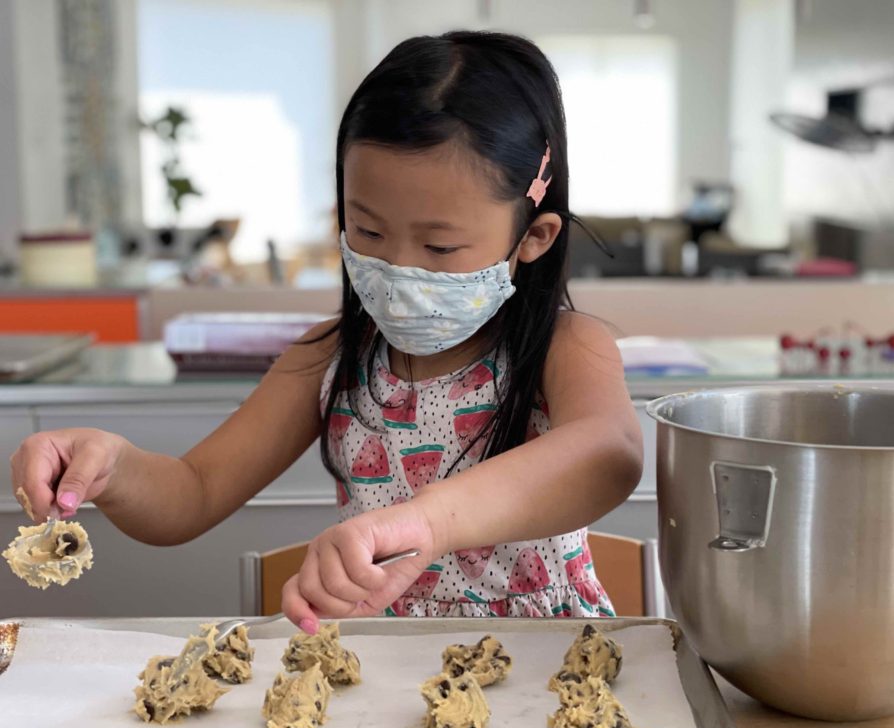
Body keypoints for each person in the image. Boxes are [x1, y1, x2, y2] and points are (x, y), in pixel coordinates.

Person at [9, 31, 643, 632]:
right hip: (385, 679)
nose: (397, 268)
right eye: (367, 232)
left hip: (548, 669)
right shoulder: (330, 358)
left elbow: (608, 455)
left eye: (440, 246)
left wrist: (424, 523)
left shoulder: (567, 346)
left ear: (532, 237)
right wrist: (112, 466)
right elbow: (192, 494)